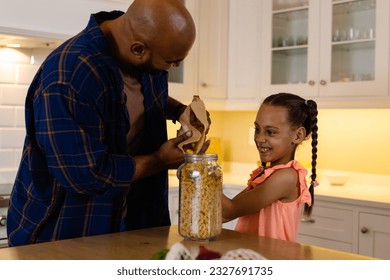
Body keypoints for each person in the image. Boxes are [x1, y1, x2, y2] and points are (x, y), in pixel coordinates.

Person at [7, 0, 204, 246]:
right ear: (138, 50)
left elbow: (143, 96)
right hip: (66, 233)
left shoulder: (139, 46)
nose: (174, 67)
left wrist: (179, 110)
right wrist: (159, 161)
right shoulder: (69, 76)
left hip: (133, 225)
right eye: (172, 62)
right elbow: (86, 175)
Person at [222, 92, 319, 242]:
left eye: (271, 132)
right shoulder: (265, 175)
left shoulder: (286, 177)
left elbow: (230, 209)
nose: (260, 138)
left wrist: (200, 169)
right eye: (257, 129)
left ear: (298, 135)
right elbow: (224, 215)